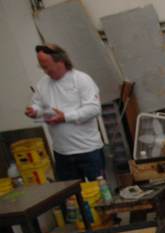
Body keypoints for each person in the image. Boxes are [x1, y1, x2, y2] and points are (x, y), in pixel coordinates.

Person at [24, 44, 105, 182]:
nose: (45, 71)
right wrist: (34, 111)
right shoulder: (43, 83)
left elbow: (93, 109)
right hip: (61, 152)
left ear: (60, 62)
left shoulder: (81, 79)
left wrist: (65, 117)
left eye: (47, 66)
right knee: (71, 198)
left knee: (99, 192)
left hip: (88, 150)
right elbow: (38, 104)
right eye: (42, 67)